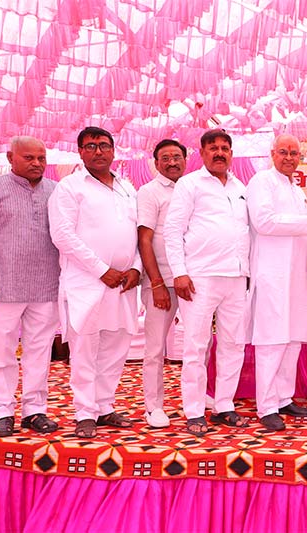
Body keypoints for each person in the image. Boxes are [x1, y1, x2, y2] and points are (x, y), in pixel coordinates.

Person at [48, 127, 140, 438]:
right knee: (85, 349)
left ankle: (105, 407)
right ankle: (85, 412)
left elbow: (137, 234)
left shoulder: (127, 188)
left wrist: (136, 268)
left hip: (123, 284)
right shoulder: (70, 187)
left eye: (103, 145)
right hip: (86, 282)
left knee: (116, 347)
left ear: (113, 150)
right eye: (90, 146)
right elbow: (62, 235)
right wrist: (101, 270)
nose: (98, 151)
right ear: (80, 152)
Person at [163, 129, 250, 437]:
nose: (219, 153)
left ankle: (224, 404)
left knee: (233, 344)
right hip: (199, 277)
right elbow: (173, 230)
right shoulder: (190, 184)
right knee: (196, 346)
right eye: (213, 148)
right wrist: (179, 272)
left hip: (236, 277)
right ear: (201, 153)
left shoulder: (240, 187)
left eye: (225, 148)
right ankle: (194, 410)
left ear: (231, 153)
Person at [243, 134, 307, 431]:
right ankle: (267, 406)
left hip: (295, 276)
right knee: (272, 340)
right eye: (284, 152)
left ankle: (283, 398)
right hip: (271, 274)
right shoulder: (261, 182)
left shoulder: (295, 189)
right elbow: (264, 222)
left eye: (294, 153)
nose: (290, 158)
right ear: (273, 154)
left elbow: (304, 231)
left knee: (292, 339)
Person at [0, 137, 60, 438]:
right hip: (2, 287)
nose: (37, 163)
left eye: (41, 158)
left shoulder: (55, 191)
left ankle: (35, 411)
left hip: (47, 286)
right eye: (29, 157)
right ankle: (2, 412)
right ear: (10, 158)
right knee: (0, 351)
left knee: (39, 351)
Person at [137, 139, 187, 428]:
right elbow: (144, 239)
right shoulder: (149, 192)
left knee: (199, 344)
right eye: (165, 157)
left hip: (191, 280)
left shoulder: (191, 187)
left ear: (185, 160)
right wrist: (156, 283)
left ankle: (199, 395)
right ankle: (153, 406)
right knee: (155, 348)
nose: (172, 162)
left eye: (177, 156)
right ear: (156, 163)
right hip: (162, 282)